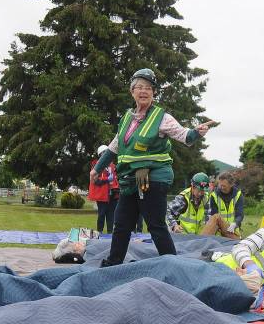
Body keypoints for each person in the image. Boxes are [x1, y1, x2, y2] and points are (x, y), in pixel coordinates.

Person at [91, 68, 215, 265]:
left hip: (154, 179)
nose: (143, 91)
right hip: (130, 180)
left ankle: (173, 266)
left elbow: (184, 135)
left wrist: (197, 132)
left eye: (148, 88)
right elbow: (114, 148)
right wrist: (97, 169)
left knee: (155, 224)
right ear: (132, 92)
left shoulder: (162, 117)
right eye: (139, 87)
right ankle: (113, 264)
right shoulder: (126, 119)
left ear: (153, 93)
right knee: (121, 224)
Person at [88, 145, 118, 233]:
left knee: (111, 215)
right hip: (102, 195)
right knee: (101, 214)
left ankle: (110, 233)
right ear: (101, 155)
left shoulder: (113, 166)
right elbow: (95, 181)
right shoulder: (96, 165)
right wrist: (107, 180)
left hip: (113, 194)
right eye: (104, 153)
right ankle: (99, 232)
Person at [206, 171, 244, 238]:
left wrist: (235, 224)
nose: (222, 188)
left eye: (224, 186)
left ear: (231, 185)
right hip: (218, 232)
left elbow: (240, 215)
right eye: (220, 185)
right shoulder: (214, 195)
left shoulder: (238, 195)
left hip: (232, 230)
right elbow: (213, 216)